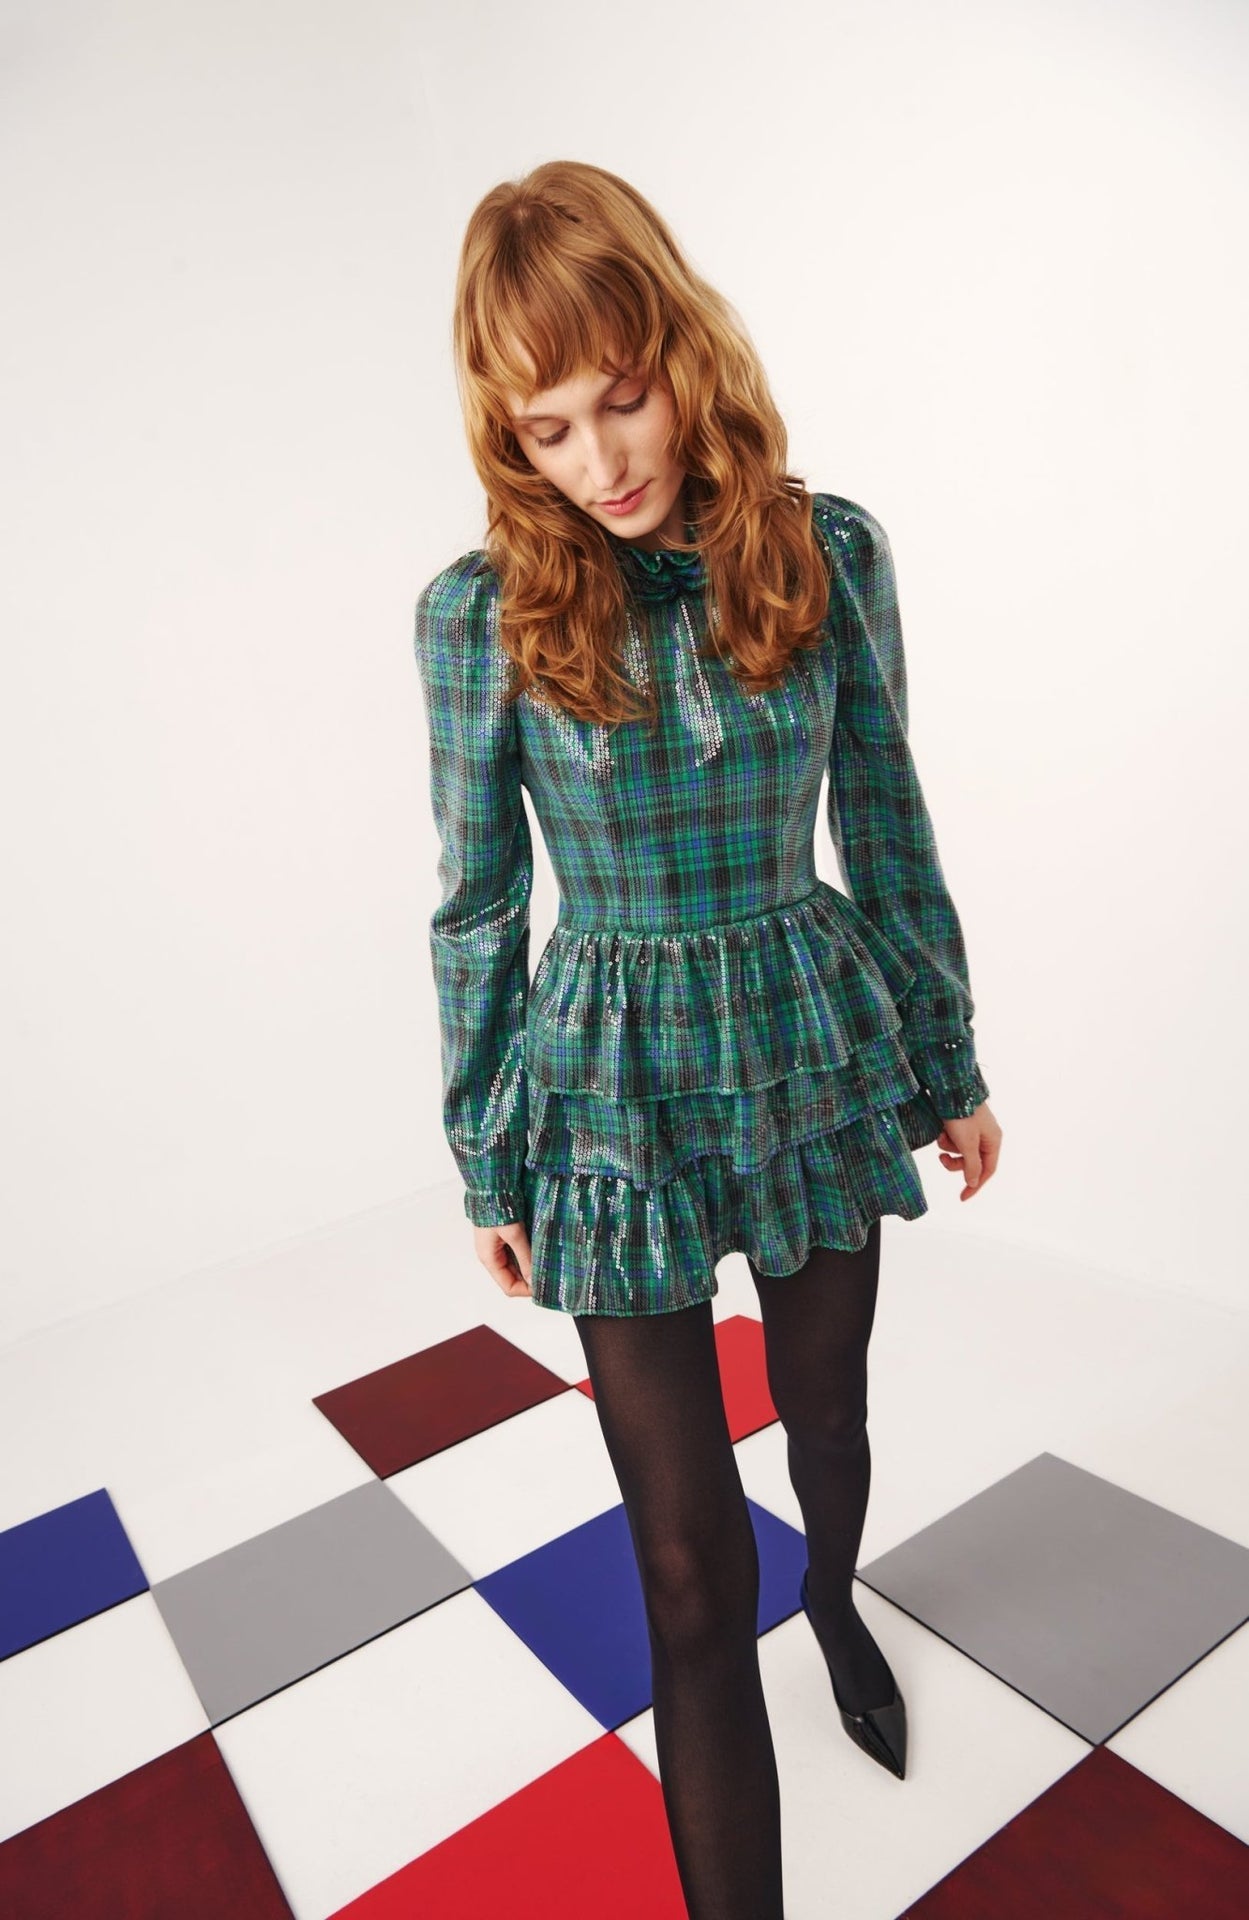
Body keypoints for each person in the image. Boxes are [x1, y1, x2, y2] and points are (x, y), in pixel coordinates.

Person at [413, 159, 1002, 1920]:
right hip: (607, 1087)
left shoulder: (825, 552)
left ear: (680, 351)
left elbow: (884, 820)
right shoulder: (480, 617)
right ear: (506, 438)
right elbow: (476, 907)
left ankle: (832, 1595)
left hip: (810, 1035)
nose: (599, 460)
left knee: (826, 1414)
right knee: (681, 1569)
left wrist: (947, 1062)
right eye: (546, 431)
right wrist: (487, 1159)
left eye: (621, 397)